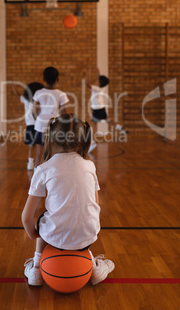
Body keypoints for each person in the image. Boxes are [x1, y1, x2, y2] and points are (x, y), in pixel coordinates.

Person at [22, 113, 115, 287]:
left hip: (54, 238)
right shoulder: (90, 166)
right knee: (83, 215)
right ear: (83, 139)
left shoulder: (43, 169)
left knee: (44, 218)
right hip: (89, 233)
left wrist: (34, 234)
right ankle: (94, 268)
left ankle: (36, 268)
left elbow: (26, 217)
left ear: (51, 139)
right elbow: (96, 205)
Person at [32, 67, 69, 167]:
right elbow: (64, 113)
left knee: (39, 153)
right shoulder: (61, 94)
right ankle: (52, 177)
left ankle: (36, 178)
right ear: (58, 79)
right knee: (53, 154)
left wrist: (39, 121)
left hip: (40, 126)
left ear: (43, 79)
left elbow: (34, 111)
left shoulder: (38, 93)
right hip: (54, 126)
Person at [86, 68, 128, 152]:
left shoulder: (96, 88)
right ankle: (120, 128)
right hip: (101, 108)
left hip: (97, 109)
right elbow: (100, 80)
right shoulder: (101, 88)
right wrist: (98, 72)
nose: (96, 80)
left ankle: (93, 142)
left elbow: (87, 84)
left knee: (94, 125)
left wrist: (88, 74)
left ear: (99, 83)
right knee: (107, 120)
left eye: (97, 80)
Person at [12, 81, 44, 170]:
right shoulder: (38, 101)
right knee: (39, 146)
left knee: (31, 145)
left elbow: (17, 94)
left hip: (30, 125)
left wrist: (13, 85)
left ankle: (30, 162)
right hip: (39, 125)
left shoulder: (26, 99)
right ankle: (36, 165)